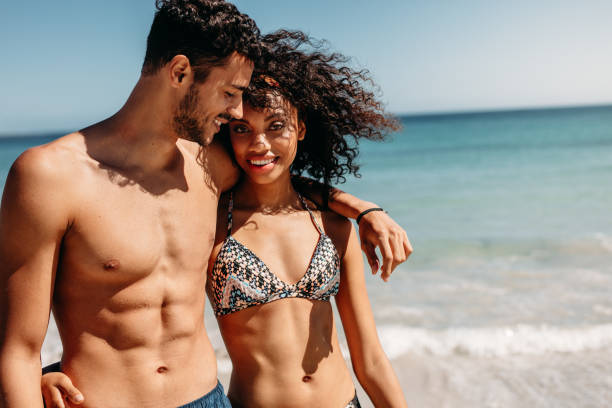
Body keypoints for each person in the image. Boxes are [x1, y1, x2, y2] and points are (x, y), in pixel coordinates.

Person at [0, 2, 411, 408]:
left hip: (207, 400)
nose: (236, 111)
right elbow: (17, 351)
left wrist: (363, 210)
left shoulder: (210, 166)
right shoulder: (49, 176)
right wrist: (40, 377)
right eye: (230, 93)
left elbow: (275, 177)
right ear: (179, 72)